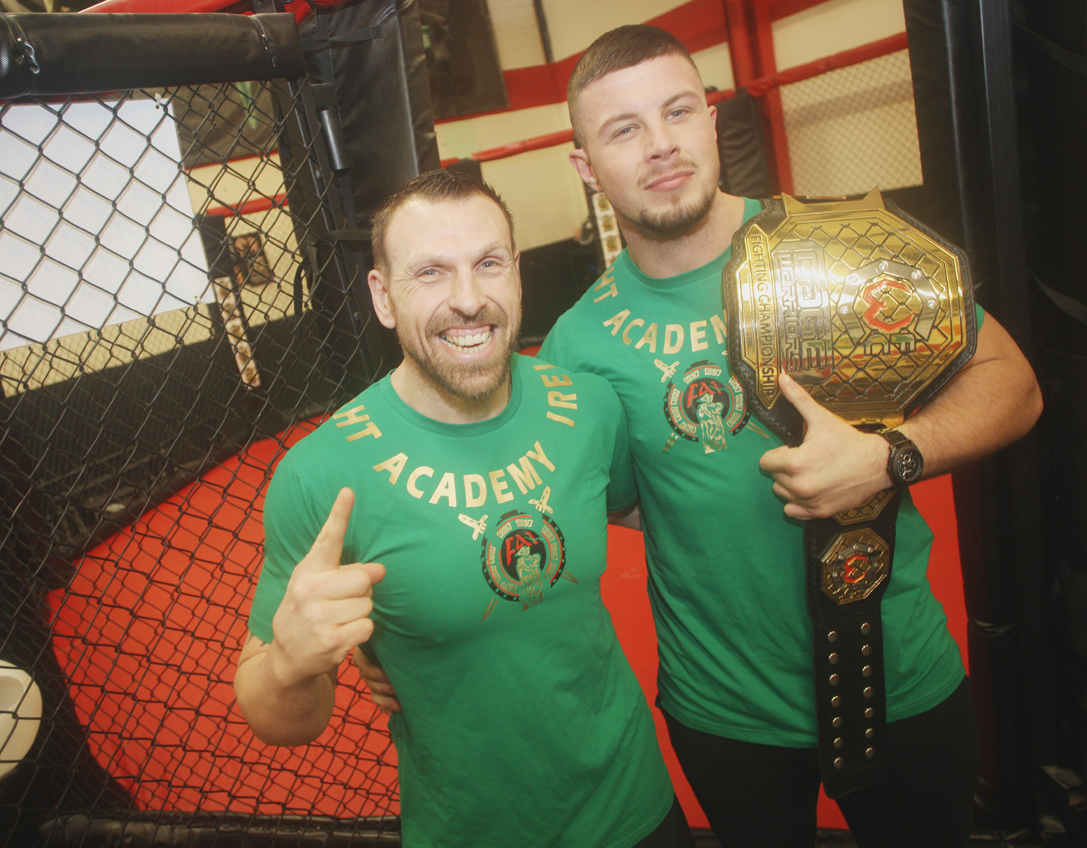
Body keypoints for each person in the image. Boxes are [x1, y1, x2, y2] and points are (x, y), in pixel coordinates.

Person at [358, 25, 1043, 848]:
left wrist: (889, 458)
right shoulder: (579, 342)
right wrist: (399, 633)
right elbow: (558, 502)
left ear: (712, 120)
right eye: (623, 130)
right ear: (585, 166)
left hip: (898, 676)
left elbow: (1015, 384)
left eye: (677, 111)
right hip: (724, 713)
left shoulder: (835, 251)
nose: (660, 146)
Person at [233, 169, 694, 848]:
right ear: (384, 298)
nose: (469, 299)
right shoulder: (320, 474)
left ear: (517, 272)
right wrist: (291, 665)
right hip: (469, 829)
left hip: (636, 804)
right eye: (431, 274)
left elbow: (650, 513)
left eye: (488, 264)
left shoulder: (590, 406)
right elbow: (281, 722)